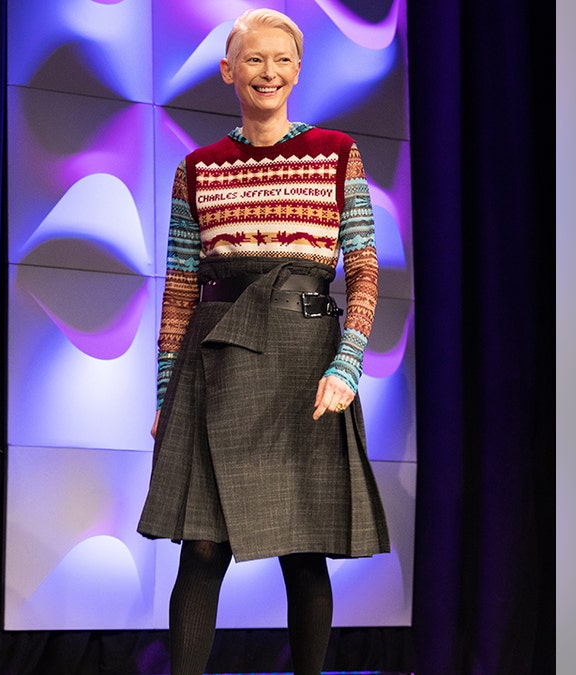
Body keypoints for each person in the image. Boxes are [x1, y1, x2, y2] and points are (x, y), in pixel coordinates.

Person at [137, 9, 390, 675]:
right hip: (213, 363)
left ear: (298, 70)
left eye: (281, 60)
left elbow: (363, 269)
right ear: (229, 70)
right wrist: (165, 393)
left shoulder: (337, 153)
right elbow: (179, 290)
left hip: (305, 363)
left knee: (302, 549)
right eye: (253, 59)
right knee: (201, 547)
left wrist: (349, 362)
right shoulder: (197, 168)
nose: (268, 72)